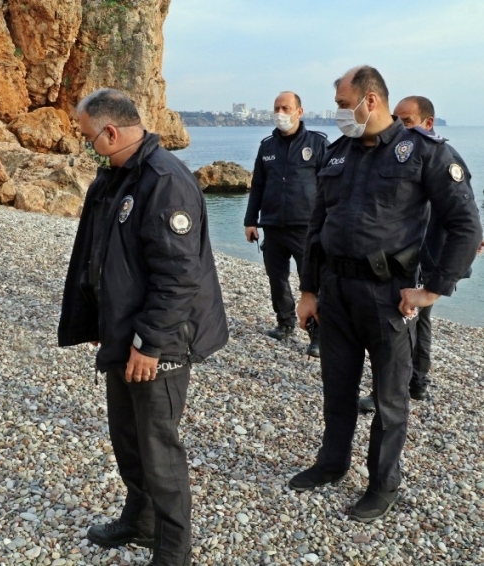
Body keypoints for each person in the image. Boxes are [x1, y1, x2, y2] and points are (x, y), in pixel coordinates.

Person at [290, 67, 481, 523]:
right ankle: (332, 463)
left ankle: (383, 483)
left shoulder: (424, 152)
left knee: (390, 399)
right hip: (335, 292)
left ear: (369, 101)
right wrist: (309, 290)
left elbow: (465, 224)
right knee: (336, 388)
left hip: (388, 296)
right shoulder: (338, 155)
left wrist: (434, 289)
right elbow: (318, 227)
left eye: (342, 102)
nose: (338, 111)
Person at [58, 89, 228, 566]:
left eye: (87, 135)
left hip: (161, 341)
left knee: (158, 449)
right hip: (124, 333)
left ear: (111, 133)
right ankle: (141, 520)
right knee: (126, 438)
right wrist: (98, 320)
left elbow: (178, 278)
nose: (83, 143)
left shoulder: (164, 182)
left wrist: (149, 344)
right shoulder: (116, 174)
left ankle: (173, 551)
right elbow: (103, 254)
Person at [358, 96, 483, 413]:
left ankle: (407, 385)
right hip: (401, 258)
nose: (401, 127)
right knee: (411, 323)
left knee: (410, 323)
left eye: (408, 121)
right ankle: (414, 383)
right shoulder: (394, 157)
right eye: (397, 120)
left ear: (428, 123)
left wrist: (468, 244)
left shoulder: (442, 156)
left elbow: (463, 210)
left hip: (428, 257)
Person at [244, 91, 328, 355]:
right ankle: (285, 322)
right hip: (272, 225)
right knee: (276, 278)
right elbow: (257, 185)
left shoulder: (317, 143)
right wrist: (250, 221)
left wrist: (329, 222)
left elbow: (330, 186)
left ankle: (317, 335)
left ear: (299, 112)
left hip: (306, 228)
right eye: (277, 108)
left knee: (311, 283)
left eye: (286, 107)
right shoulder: (267, 146)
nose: (280, 112)